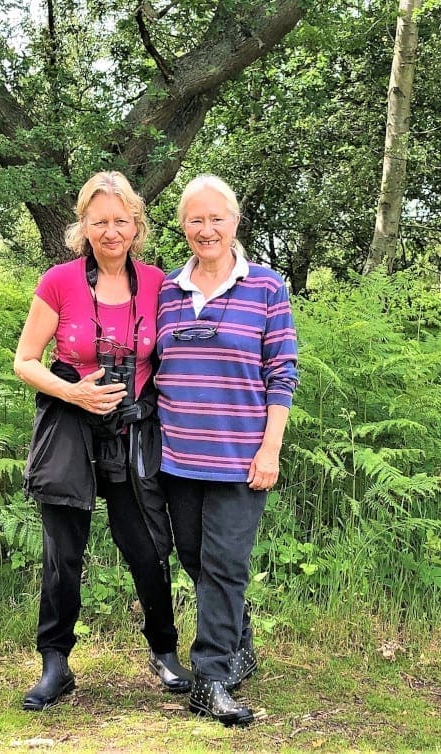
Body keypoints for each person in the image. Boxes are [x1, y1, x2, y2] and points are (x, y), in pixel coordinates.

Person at [13, 171, 192, 711]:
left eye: (120, 221)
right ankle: (55, 662)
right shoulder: (60, 281)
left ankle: (164, 650)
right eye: (99, 222)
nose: (111, 232)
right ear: (83, 228)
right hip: (70, 427)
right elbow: (25, 361)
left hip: (134, 428)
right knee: (62, 552)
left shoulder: (161, 282)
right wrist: (74, 393)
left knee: (147, 547)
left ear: (136, 225)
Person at [155, 174, 298, 725]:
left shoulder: (266, 287)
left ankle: (211, 677)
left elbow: (282, 373)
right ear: (183, 226)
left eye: (217, 218)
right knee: (195, 559)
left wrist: (271, 449)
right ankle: (239, 640)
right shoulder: (166, 291)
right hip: (179, 458)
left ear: (235, 223)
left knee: (225, 564)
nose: (207, 229)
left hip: (241, 460)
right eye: (196, 219)